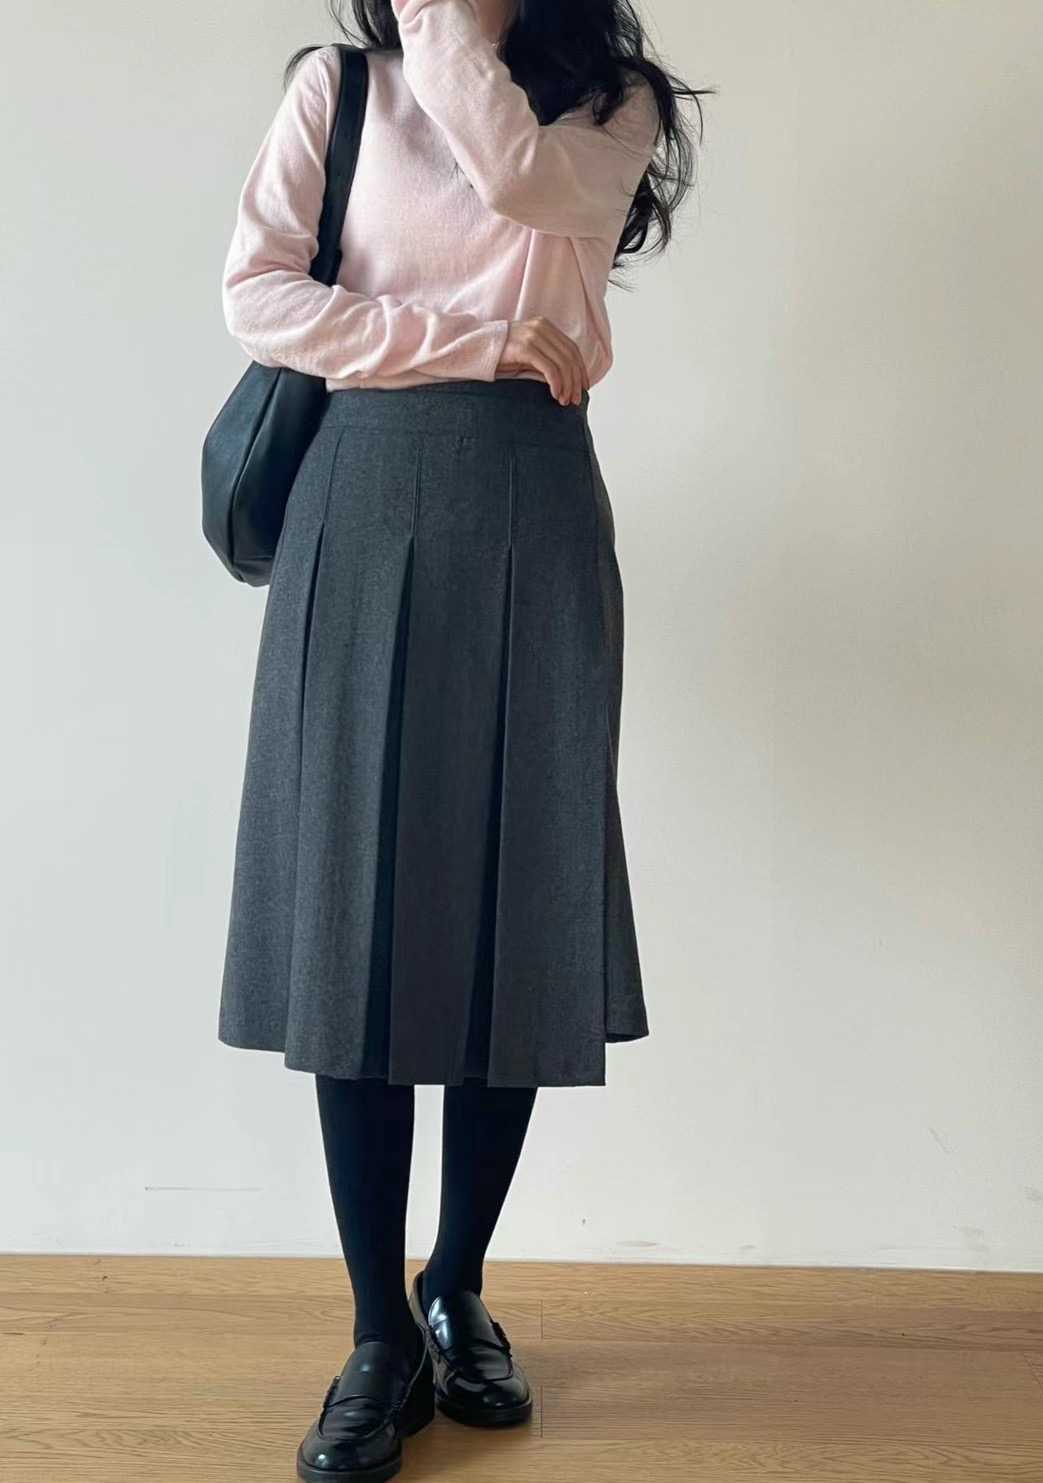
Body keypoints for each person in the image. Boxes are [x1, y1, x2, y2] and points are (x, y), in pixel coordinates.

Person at [213, 1, 707, 1477]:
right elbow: (256, 298)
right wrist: (468, 337)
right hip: (360, 493)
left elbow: (519, 186)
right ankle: (378, 1332)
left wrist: (450, 34)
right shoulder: (338, 91)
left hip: (530, 499)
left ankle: (458, 1284)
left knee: (517, 889)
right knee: (355, 910)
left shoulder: (608, 106)